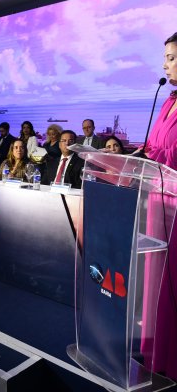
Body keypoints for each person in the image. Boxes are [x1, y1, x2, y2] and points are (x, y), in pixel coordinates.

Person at [139, 32, 177, 381]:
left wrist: (155, 155)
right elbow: (154, 144)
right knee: (153, 279)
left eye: (171, 57)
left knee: (172, 284)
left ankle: (172, 355)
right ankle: (154, 349)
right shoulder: (168, 101)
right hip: (157, 198)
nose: (165, 64)